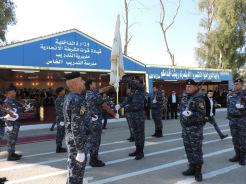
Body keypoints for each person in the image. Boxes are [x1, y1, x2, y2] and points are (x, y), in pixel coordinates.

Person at [63, 72, 91, 184]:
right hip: (77, 143)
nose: (84, 82)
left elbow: (78, 117)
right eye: (81, 80)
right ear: (75, 84)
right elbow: (76, 125)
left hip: (73, 140)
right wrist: (80, 149)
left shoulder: (71, 97)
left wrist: (90, 117)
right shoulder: (76, 99)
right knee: (76, 175)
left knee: (73, 172)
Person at [180, 79, 206, 182]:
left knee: (196, 150)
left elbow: (202, 115)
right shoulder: (185, 97)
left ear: (195, 87)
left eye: (190, 86)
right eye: (186, 86)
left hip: (195, 128)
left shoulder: (199, 99)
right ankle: (192, 167)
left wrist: (192, 114)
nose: (187, 88)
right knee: (188, 149)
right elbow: (181, 110)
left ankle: (198, 171)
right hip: (185, 128)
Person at [85, 79, 115, 167]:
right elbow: (104, 105)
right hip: (95, 122)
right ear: (90, 85)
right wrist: (114, 114)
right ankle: (93, 160)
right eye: (94, 83)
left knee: (92, 139)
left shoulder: (89, 93)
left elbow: (103, 89)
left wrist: (112, 86)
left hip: (90, 120)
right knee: (95, 140)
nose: (96, 84)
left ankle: (92, 157)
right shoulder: (93, 95)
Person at [116, 76, 146, 160]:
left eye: (135, 80)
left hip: (139, 114)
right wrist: (120, 105)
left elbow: (133, 83)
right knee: (136, 134)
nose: (133, 82)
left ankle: (141, 152)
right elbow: (128, 100)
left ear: (138, 82)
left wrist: (122, 79)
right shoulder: (134, 91)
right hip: (133, 114)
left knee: (140, 134)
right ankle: (137, 150)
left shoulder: (141, 88)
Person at [227, 78, 246, 166]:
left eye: (237, 84)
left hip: (242, 119)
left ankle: (243, 157)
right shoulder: (231, 94)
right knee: (235, 138)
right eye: (234, 84)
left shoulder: (245, 94)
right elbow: (228, 105)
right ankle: (237, 155)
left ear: (242, 85)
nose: (235, 86)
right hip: (232, 119)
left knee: (242, 139)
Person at [4, 85, 22, 161]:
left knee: (13, 139)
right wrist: (10, 125)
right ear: (9, 92)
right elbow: (8, 114)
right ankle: (10, 155)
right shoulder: (7, 101)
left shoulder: (13, 100)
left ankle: (12, 153)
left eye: (15, 91)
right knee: (11, 139)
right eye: (14, 91)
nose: (15, 93)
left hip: (15, 123)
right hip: (11, 124)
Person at [55, 87, 67, 153]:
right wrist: (62, 119)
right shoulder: (58, 99)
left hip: (64, 118)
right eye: (63, 90)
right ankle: (58, 148)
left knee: (62, 133)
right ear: (59, 92)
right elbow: (59, 111)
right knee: (60, 133)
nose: (64, 91)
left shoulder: (64, 98)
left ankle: (59, 147)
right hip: (61, 119)